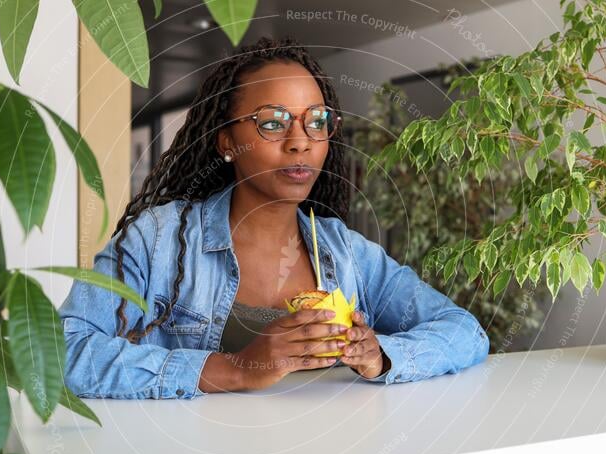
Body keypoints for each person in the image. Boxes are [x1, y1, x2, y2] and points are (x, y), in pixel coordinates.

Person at [58, 36, 489, 400]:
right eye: (273, 123)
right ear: (226, 140)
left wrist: (379, 357)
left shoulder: (345, 251)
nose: (300, 142)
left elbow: (465, 331)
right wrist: (234, 369)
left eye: (316, 122)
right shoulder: (157, 240)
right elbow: (60, 351)